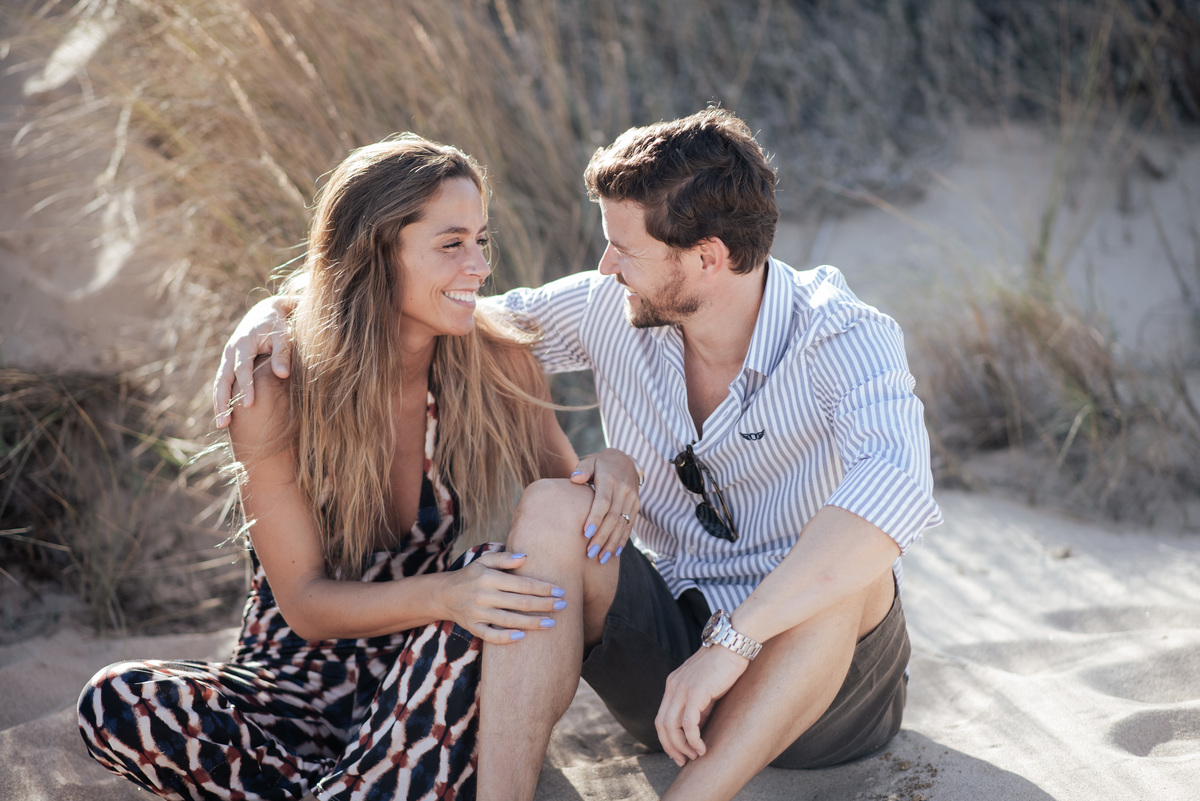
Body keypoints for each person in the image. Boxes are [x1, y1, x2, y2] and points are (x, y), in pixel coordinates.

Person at [213, 108, 943, 801]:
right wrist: (271, 311)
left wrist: (735, 642)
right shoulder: (610, 305)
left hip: (828, 693)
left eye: (625, 248)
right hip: (674, 679)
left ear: (707, 258)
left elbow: (895, 491)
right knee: (553, 506)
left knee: (852, 563)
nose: (605, 264)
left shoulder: (842, 334)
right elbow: (430, 303)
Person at [77, 134, 642, 801]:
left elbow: (565, 522)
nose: (480, 265)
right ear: (375, 251)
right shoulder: (277, 386)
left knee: (497, 578)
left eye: (481, 240)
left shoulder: (497, 363)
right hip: (289, 686)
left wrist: (612, 469)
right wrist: (448, 593)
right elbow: (306, 604)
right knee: (116, 699)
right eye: (452, 244)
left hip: (424, 678)